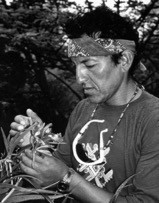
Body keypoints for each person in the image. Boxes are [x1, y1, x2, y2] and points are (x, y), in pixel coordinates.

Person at [9, 5, 159, 203]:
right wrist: (36, 144)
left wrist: (67, 179)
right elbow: (55, 176)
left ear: (124, 60)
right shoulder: (85, 108)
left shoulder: (152, 118)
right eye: (76, 65)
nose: (79, 77)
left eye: (89, 65)